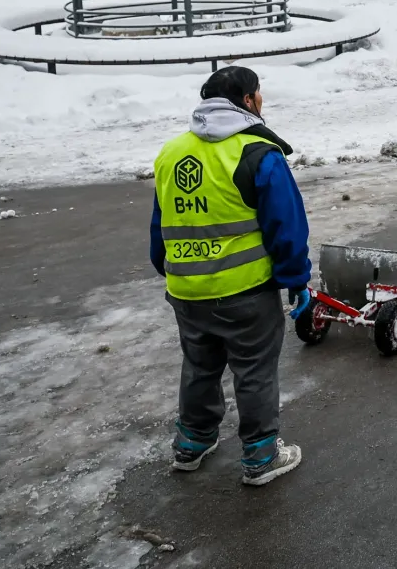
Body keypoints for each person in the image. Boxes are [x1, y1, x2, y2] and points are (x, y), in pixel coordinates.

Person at [151, 66, 310, 485]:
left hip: (186, 290)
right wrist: (296, 279)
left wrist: (170, 270)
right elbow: (286, 227)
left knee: (200, 365)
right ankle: (260, 455)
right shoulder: (257, 154)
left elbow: (160, 223)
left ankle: (192, 442)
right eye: (259, 95)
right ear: (246, 101)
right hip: (245, 291)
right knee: (254, 369)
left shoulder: (171, 152)